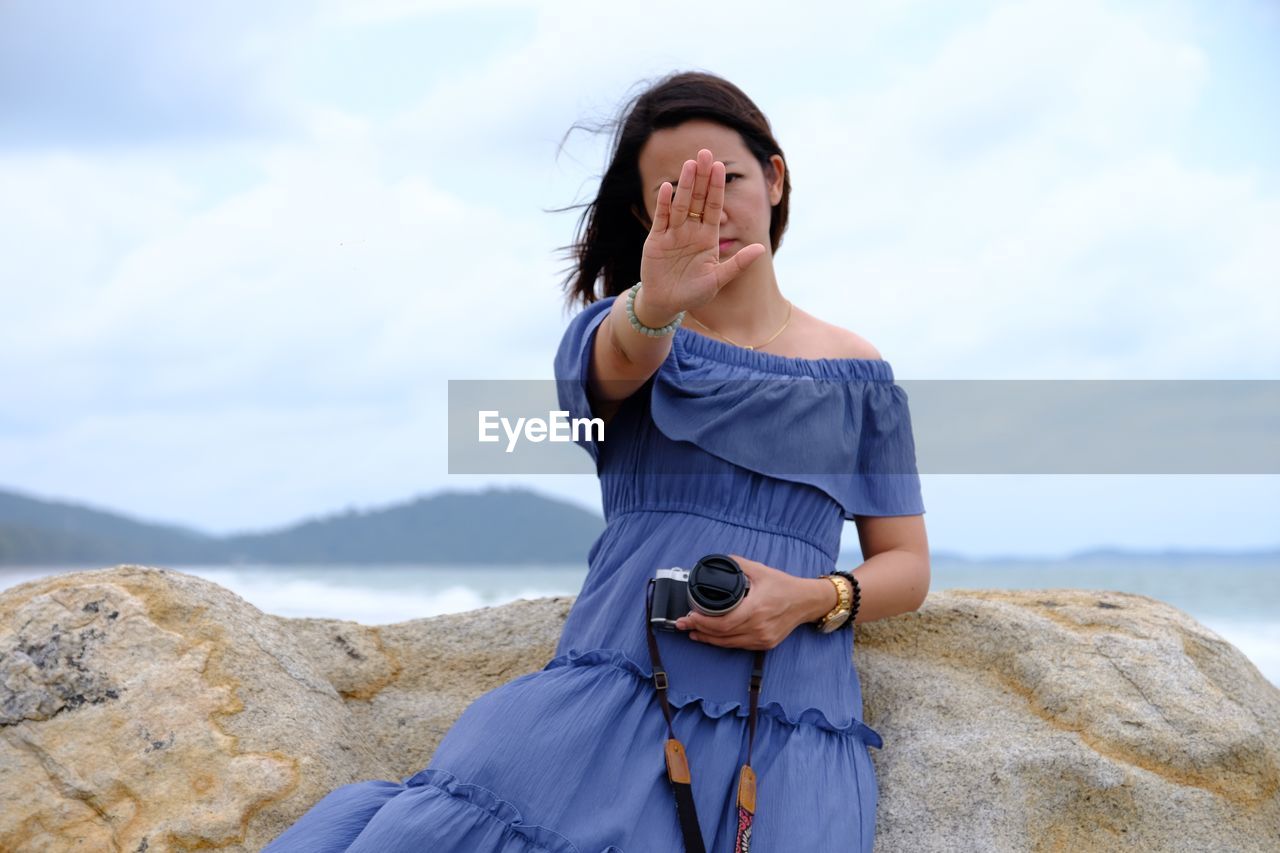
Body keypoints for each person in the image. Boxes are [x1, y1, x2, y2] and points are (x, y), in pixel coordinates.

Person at [263, 69, 929, 853]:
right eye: (679, 194)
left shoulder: (859, 375)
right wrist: (655, 303)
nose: (710, 210)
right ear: (647, 214)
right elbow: (618, 365)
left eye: (729, 180)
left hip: (791, 722)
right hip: (615, 697)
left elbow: (907, 566)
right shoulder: (627, 332)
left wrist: (812, 596)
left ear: (776, 178)